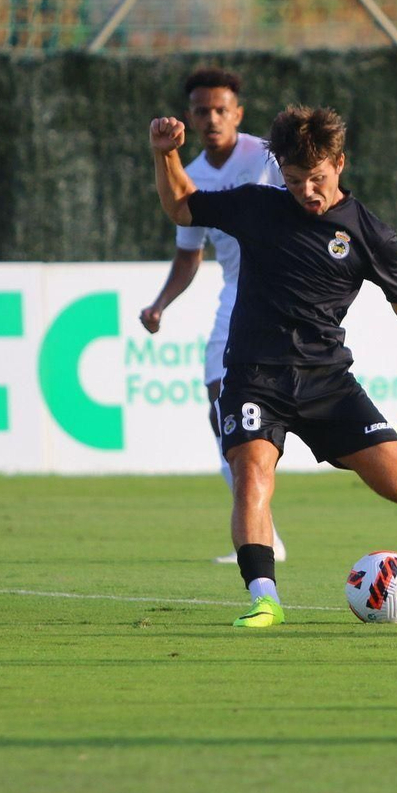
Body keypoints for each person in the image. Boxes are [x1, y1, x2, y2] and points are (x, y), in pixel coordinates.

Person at [148, 105, 397, 628]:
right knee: (250, 476)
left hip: (327, 382)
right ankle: (264, 597)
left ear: (339, 164)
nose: (307, 192)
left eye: (317, 179)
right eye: (295, 180)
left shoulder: (368, 232)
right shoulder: (258, 206)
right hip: (254, 376)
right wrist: (166, 155)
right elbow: (183, 206)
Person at [138, 67, 290, 564]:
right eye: (202, 110)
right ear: (190, 116)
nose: (212, 118)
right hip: (237, 298)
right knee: (220, 407)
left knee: (313, 409)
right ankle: (263, 531)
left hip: (291, 293)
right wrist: (161, 302)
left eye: (221, 109)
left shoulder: (266, 155)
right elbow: (189, 254)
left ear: (238, 114)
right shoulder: (192, 176)